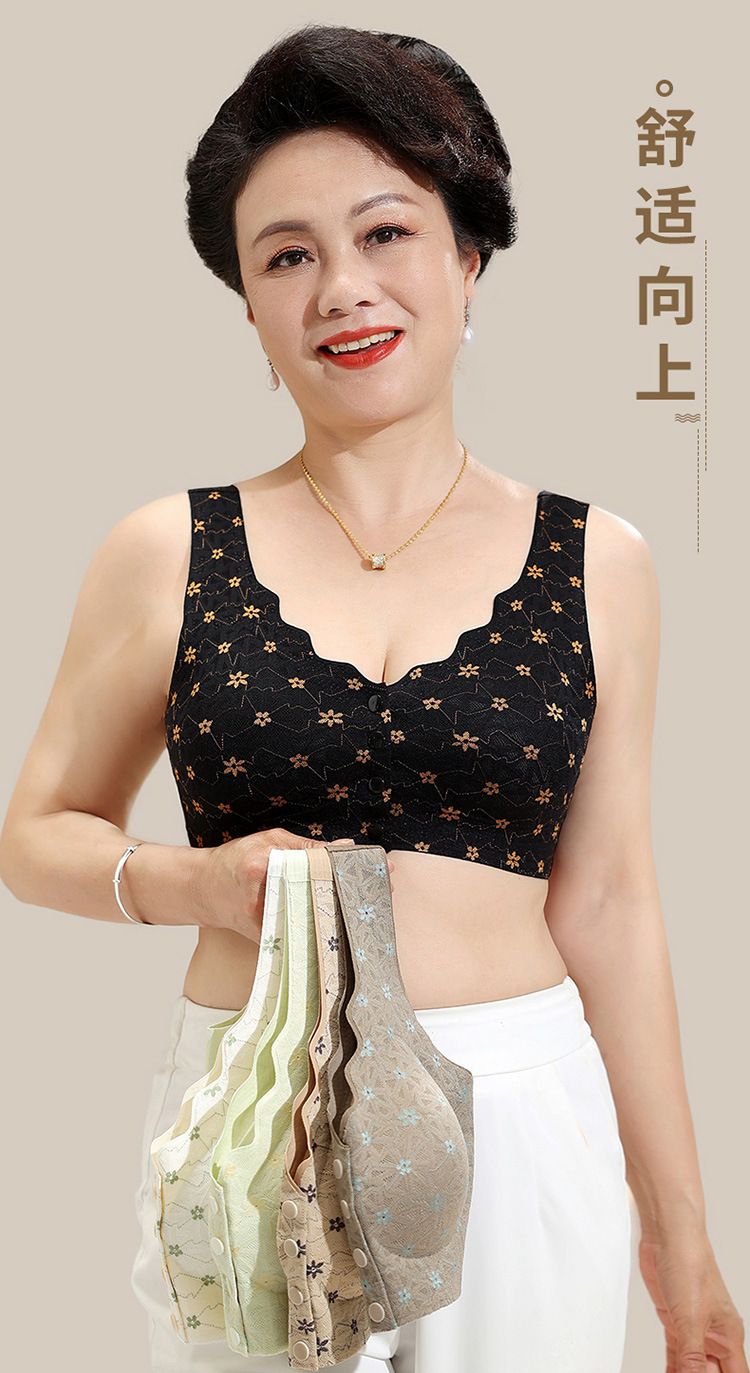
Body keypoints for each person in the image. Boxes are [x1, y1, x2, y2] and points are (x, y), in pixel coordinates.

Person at [0, 21, 745, 1373]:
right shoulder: (167, 549)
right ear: (247, 303)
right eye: (286, 257)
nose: (342, 289)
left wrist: (681, 1237)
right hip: (252, 1102)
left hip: (519, 1114)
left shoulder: (600, 561)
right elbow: (35, 833)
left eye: (386, 233)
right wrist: (192, 883)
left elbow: (610, 904)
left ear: (468, 257)